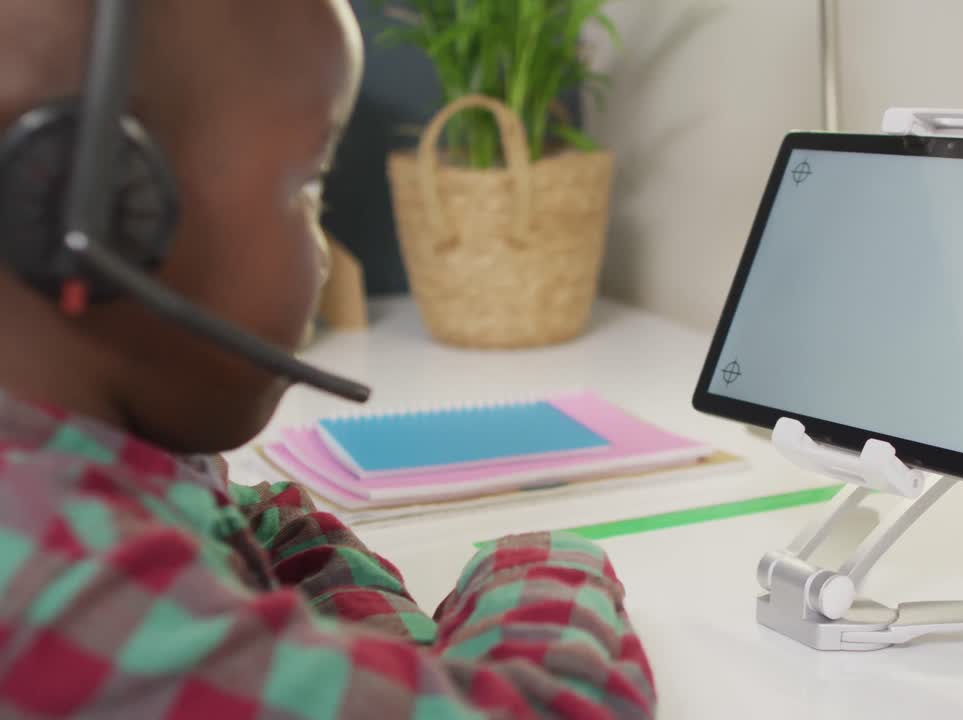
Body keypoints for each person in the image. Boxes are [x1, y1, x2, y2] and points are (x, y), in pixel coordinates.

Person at [0, 2, 655, 717]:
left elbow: (249, 519)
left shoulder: (78, 457)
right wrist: (539, 564)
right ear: (88, 209)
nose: (320, 250)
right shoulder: (62, 587)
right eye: (309, 187)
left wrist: (391, 667)